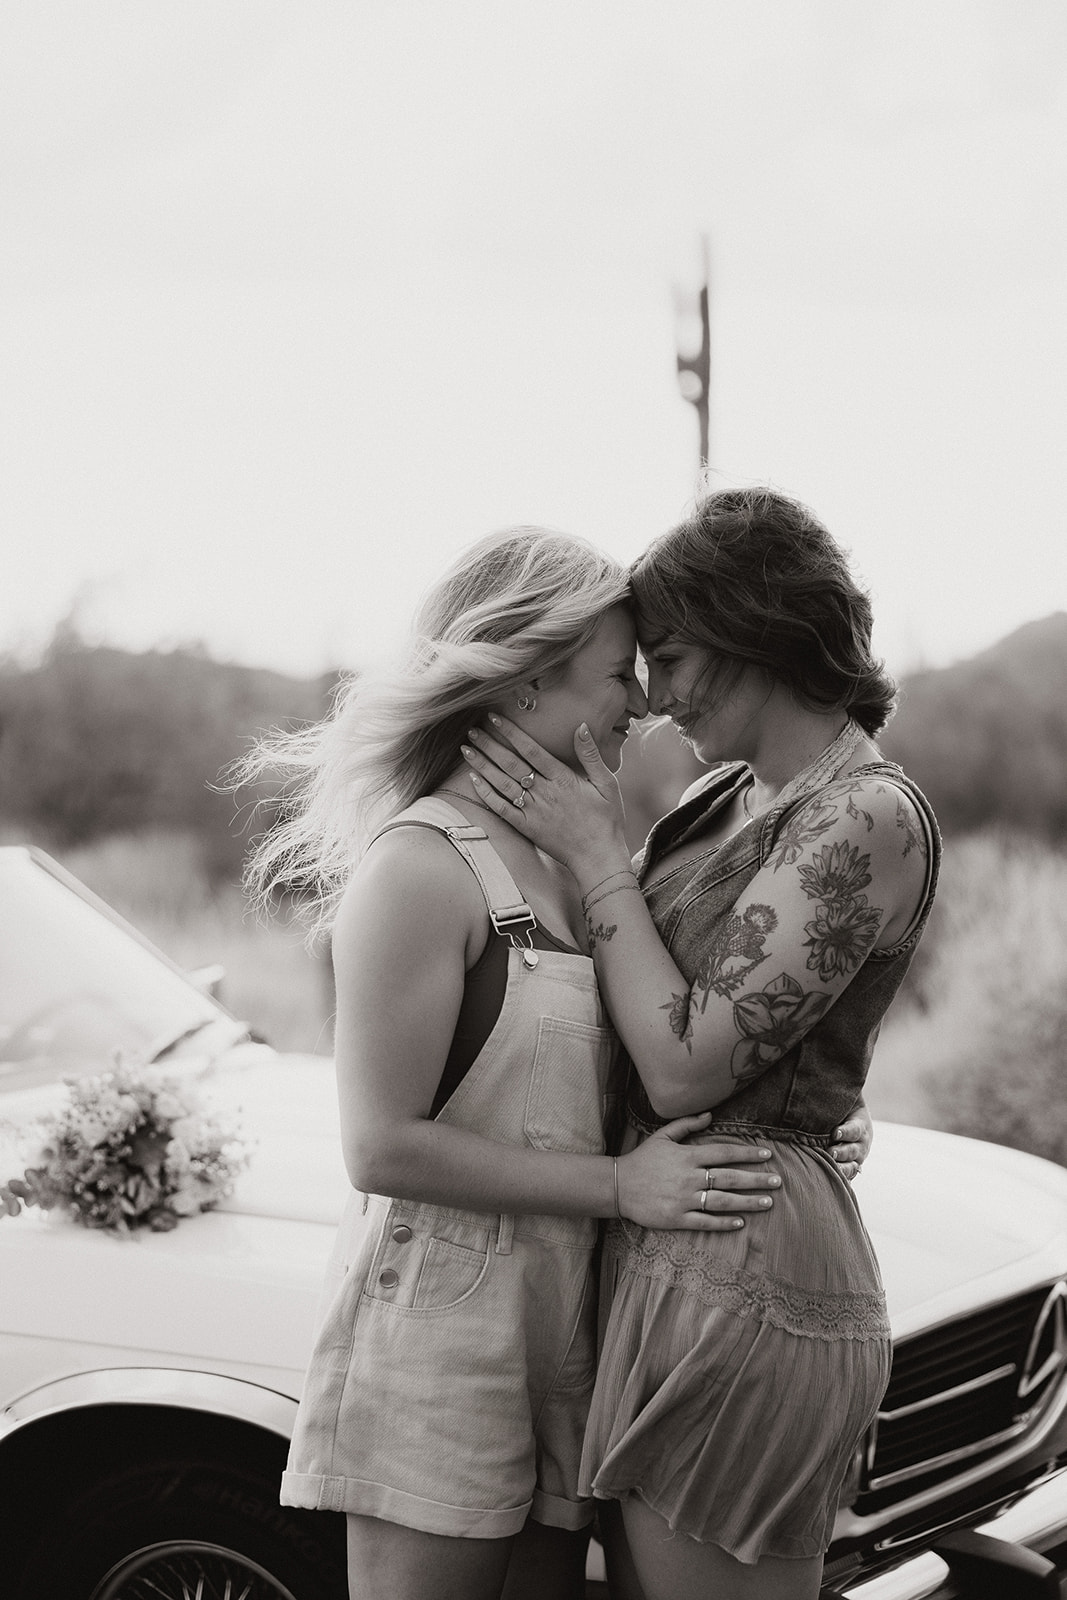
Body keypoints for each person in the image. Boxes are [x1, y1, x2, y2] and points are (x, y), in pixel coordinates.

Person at [237, 525, 818, 1600]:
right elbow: (380, 1145)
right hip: (441, 1338)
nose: (638, 705)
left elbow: (648, 1049)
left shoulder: (570, 858)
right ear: (525, 677)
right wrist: (619, 1187)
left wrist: (791, 1111)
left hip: (565, 1328)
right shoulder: (419, 866)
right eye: (614, 674)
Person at [461, 487, 940, 1600]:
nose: (654, 694)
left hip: (745, 1266)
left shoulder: (860, 813)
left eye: (671, 657)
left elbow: (682, 1059)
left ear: (755, 629)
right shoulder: (725, 791)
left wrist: (596, 858)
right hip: (663, 1241)